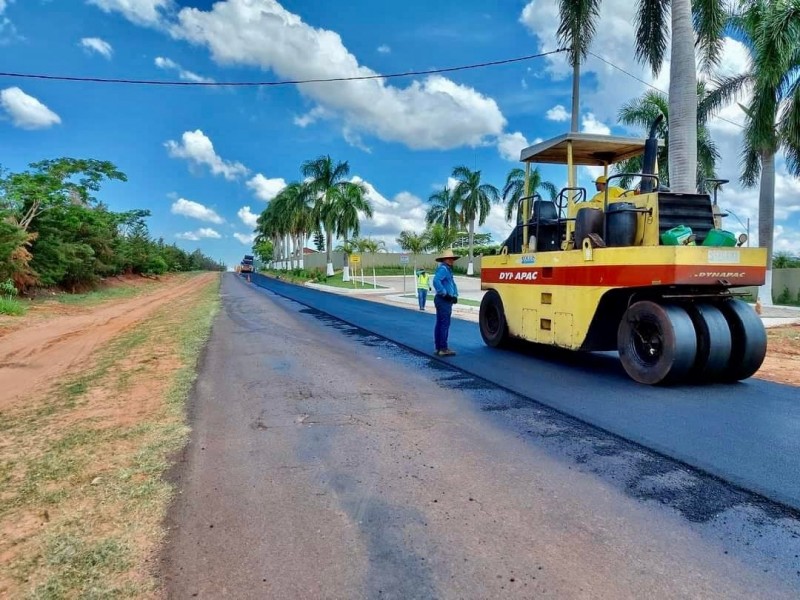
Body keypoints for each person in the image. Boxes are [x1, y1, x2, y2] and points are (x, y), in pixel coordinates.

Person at [432, 249, 459, 357]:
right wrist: (445, 294)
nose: (452, 260)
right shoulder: (443, 269)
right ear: (445, 259)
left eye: (452, 258)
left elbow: (452, 284)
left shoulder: (447, 270)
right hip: (443, 300)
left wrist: (455, 295)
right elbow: (436, 281)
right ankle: (443, 348)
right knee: (444, 324)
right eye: (450, 259)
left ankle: (439, 347)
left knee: (440, 323)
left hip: (444, 299)